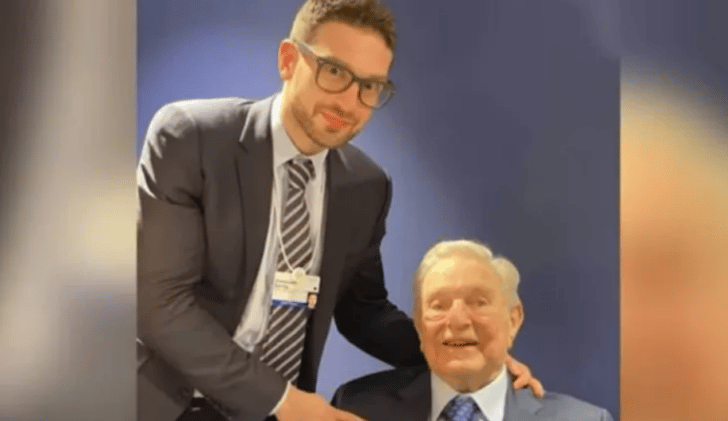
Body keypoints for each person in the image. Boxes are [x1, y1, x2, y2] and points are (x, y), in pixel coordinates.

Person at [136, 1, 542, 420]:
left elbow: (364, 312)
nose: (350, 102)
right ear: (288, 60)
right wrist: (284, 401)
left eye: (370, 86)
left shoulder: (365, 184)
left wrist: (467, 356)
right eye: (334, 72)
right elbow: (160, 305)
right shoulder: (192, 138)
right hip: (179, 404)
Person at [332, 240, 613, 421]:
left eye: (478, 302)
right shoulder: (357, 409)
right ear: (417, 324)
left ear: (513, 319)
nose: (457, 321)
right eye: (438, 305)